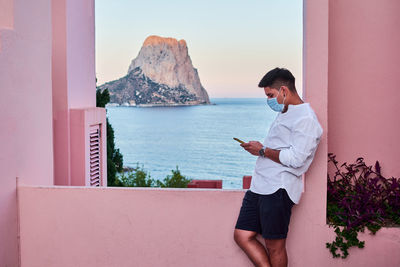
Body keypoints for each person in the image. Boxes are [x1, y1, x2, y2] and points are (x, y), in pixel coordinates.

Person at [233, 67, 323, 267]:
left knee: (275, 246)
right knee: (242, 235)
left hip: (278, 189)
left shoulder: (306, 119)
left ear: (284, 90)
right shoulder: (286, 113)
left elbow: (297, 159)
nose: (269, 101)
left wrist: (262, 150)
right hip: (259, 187)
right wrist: (259, 150)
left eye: (270, 95)